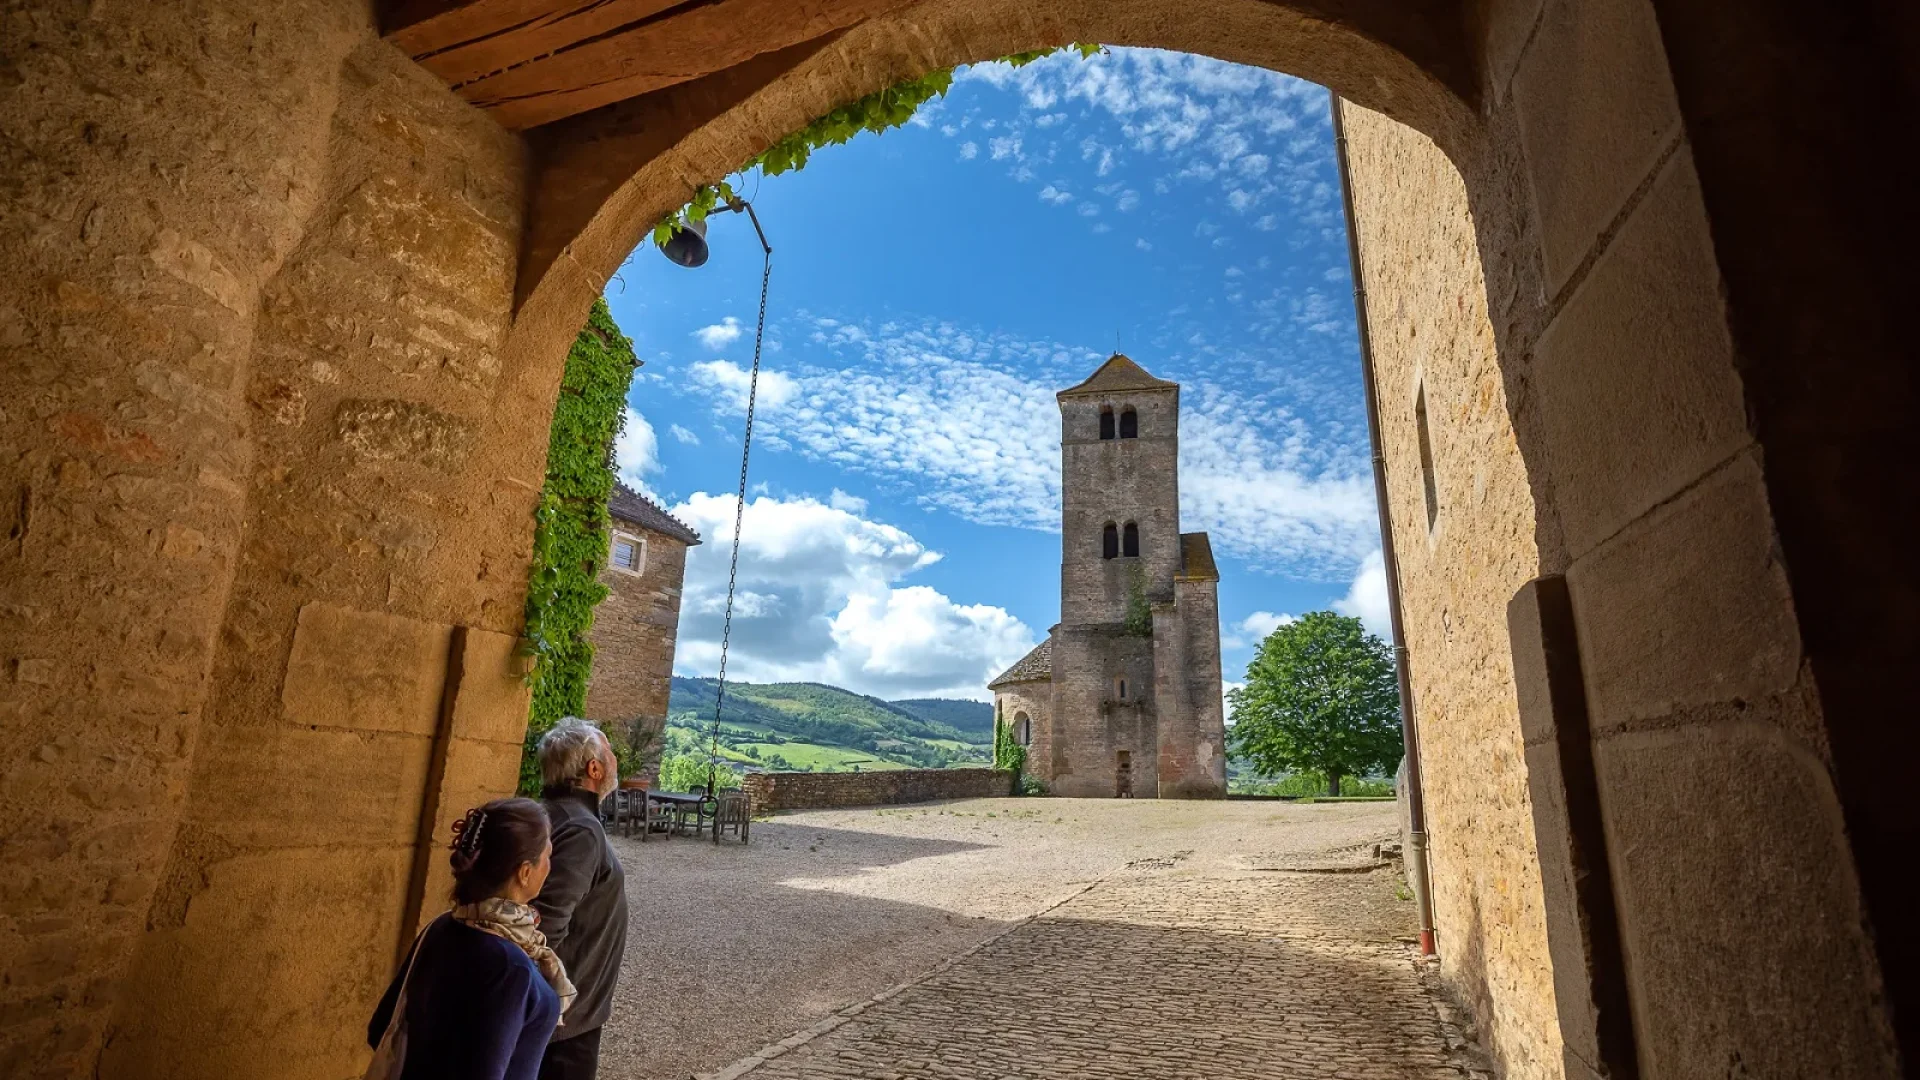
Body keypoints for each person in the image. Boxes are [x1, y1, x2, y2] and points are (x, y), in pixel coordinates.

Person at [368, 797, 573, 1080]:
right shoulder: (510, 967)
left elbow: (380, 1028)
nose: (550, 866)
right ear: (525, 873)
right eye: (548, 856)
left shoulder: (441, 928)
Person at [532, 718, 629, 1080]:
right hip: (565, 1025)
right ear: (594, 768)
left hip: (559, 1018)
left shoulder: (546, 814)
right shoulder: (582, 828)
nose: (615, 761)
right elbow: (544, 930)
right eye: (610, 753)